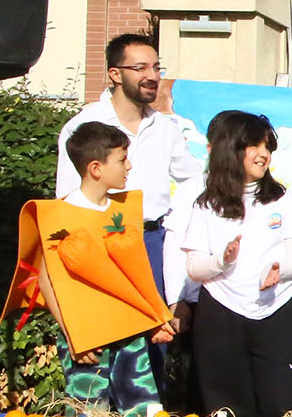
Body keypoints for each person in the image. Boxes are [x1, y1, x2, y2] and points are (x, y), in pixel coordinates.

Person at [18, 122, 174, 417]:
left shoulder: (123, 210)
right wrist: (73, 335)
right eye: (121, 159)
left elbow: (135, 272)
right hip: (87, 335)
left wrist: (156, 317)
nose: (129, 166)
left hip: (129, 332)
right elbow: (47, 280)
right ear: (95, 168)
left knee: (142, 412)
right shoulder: (60, 215)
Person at [180, 111, 292, 417]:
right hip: (221, 316)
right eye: (253, 145)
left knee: (281, 408)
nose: (263, 154)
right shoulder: (206, 204)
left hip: (276, 313)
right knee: (228, 413)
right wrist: (221, 260)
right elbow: (193, 267)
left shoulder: (281, 198)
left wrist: (281, 269)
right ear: (231, 150)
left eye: (267, 146)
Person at [55, 34, 203, 314]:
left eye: (156, 68)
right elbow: (66, 199)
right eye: (140, 68)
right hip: (101, 243)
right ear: (115, 74)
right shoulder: (83, 126)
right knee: (109, 333)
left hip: (152, 242)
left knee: (154, 342)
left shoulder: (165, 127)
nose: (151, 76)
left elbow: (194, 180)